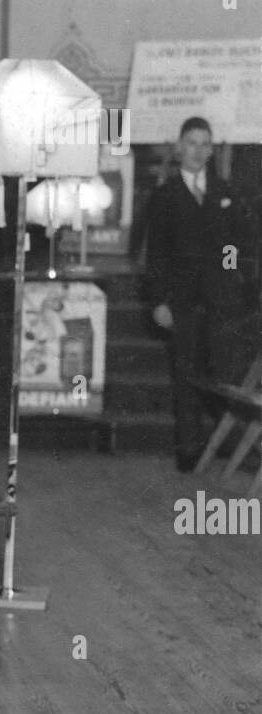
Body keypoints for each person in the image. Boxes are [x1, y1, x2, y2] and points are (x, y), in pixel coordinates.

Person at [145, 116, 253, 471]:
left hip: (223, 303)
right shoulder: (164, 196)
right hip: (182, 303)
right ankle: (188, 453)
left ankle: (234, 450)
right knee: (187, 378)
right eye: (191, 143)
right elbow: (157, 254)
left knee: (226, 375)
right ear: (179, 148)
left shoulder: (225, 192)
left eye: (205, 144)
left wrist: (230, 271)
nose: (198, 151)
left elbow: (237, 243)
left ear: (211, 149)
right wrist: (160, 301)